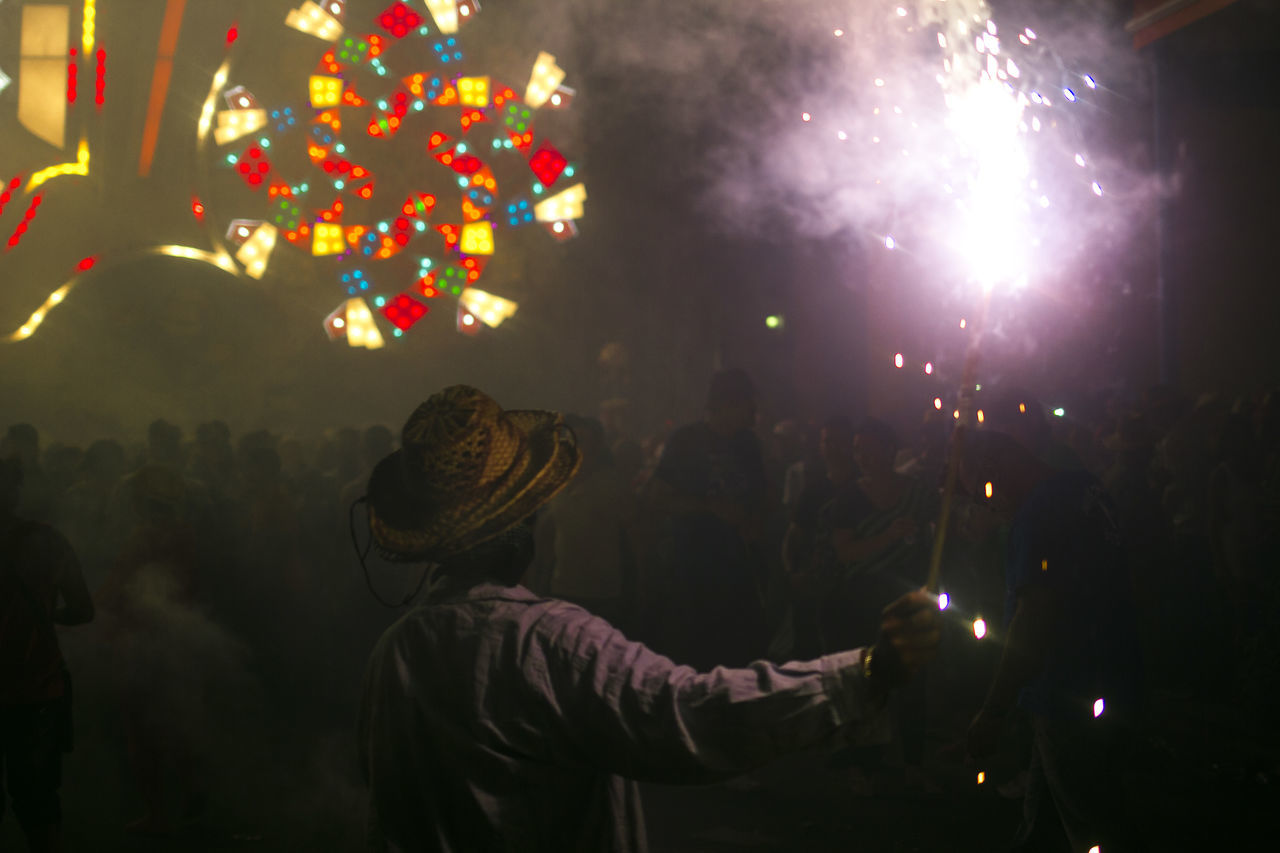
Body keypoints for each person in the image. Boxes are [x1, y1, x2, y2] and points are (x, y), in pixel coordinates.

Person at [358, 385, 942, 853]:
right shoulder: (550, 641)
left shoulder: (395, 650)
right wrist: (865, 671)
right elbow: (690, 713)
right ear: (523, 527)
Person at [957, 430, 1144, 852]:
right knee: (1046, 820)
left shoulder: (1037, 515)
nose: (993, 507)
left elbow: (1034, 619)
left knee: (1094, 826)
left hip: (1068, 690)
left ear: (997, 469)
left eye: (986, 494)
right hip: (1111, 677)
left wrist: (992, 712)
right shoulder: (1085, 487)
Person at [645, 369, 771, 668]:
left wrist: (756, 521)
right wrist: (708, 506)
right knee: (694, 662)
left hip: (739, 572)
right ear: (727, 402)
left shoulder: (748, 444)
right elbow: (656, 498)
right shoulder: (687, 441)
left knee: (739, 661)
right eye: (748, 403)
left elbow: (762, 495)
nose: (754, 411)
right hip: (694, 574)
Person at [0, 457, 94, 852]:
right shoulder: (49, 540)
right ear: (15, 491)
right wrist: (41, 617)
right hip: (38, 687)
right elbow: (82, 610)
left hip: (30, 687)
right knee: (37, 798)